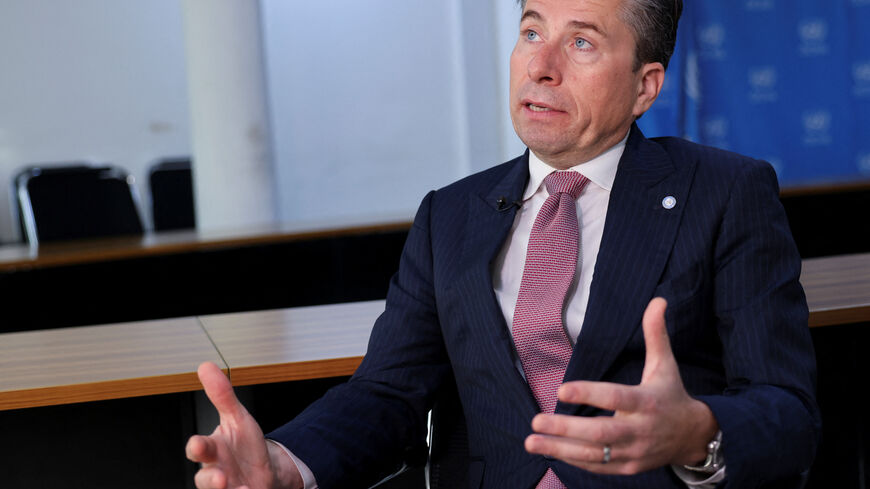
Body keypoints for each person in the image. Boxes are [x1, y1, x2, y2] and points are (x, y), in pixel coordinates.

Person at [186, 0, 820, 487]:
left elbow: (788, 411)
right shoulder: (450, 214)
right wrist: (284, 462)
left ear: (644, 87)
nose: (542, 66)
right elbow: (386, 393)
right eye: (531, 31)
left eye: (581, 42)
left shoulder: (726, 192)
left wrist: (696, 435)